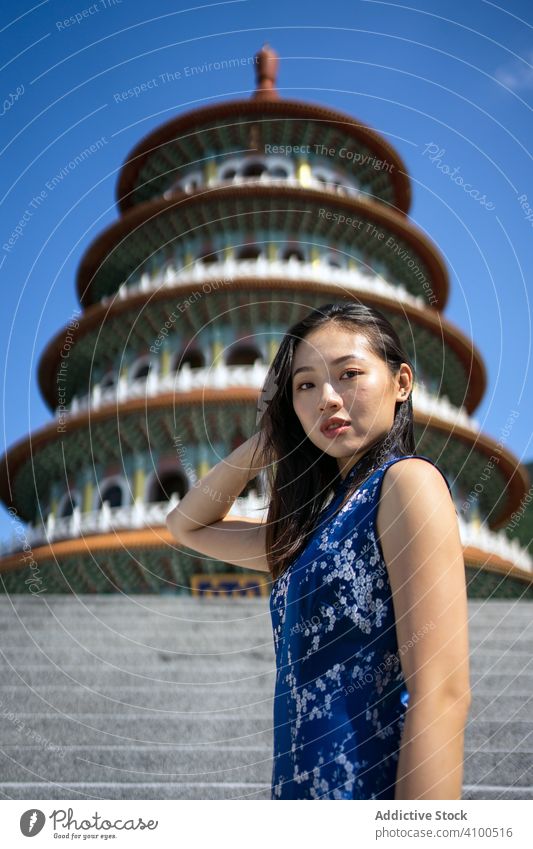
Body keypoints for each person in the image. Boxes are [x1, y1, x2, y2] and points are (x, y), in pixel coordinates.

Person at [166, 301, 471, 800]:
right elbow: (186, 525)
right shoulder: (307, 535)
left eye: (349, 373)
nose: (326, 398)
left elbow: (442, 692)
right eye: (305, 385)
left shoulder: (406, 485)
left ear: (401, 382)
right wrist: (270, 438)